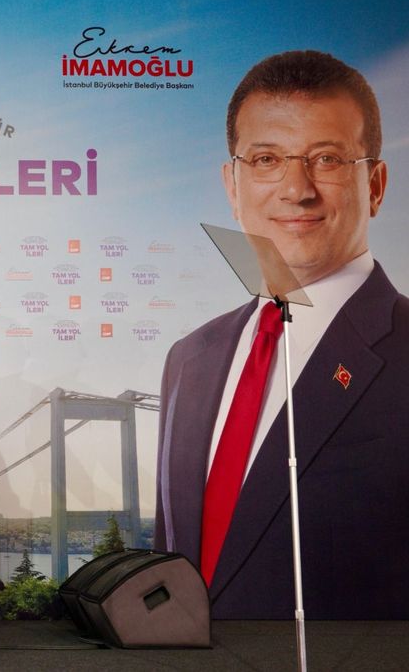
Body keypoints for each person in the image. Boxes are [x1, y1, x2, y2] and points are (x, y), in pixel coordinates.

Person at [154, 50, 408, 619]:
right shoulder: (188, 358)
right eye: (266, 159)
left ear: (375, 185)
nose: (296, 189)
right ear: (233, 185)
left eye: (327, 159)